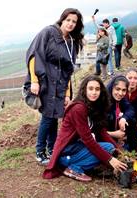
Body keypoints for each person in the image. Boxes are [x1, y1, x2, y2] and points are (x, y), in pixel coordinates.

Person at [25, 8, 84, 165]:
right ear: (62, 19)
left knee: (54, 118)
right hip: (45, 82)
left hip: (60, 85)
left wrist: (67, 94)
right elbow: (33, 55)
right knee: (47, 117)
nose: (71, 24)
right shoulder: (48, 32)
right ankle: (40, 152)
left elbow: (68, 70)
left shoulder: (71, 42)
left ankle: (52, 150)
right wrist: (34, 80)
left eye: (74, 22)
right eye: (68, 20)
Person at [43, 75, 127, 181]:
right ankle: (73, 168)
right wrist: (110, 159)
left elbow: (102, 132)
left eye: (97, 89)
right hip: (66, 152)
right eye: (90, 88)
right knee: (107, 148)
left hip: (77, 147)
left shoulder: (93, 106)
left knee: (110, 147)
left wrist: (120, 151)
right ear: (84, 89)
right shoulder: (78, 108)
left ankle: (81, 163)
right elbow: (88, 140)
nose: (94, 92)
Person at [106, 75, 137, 152]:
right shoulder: (103, 101)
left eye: (124, 90)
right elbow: (95, 129)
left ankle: (133, 152)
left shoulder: (121, 99)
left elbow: (130, 109)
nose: (120, 93)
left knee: (131, 121)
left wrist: (124, 118)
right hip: (102, 135)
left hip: (115, 130)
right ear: (111, 88)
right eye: (117, 89)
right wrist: (114, 134)